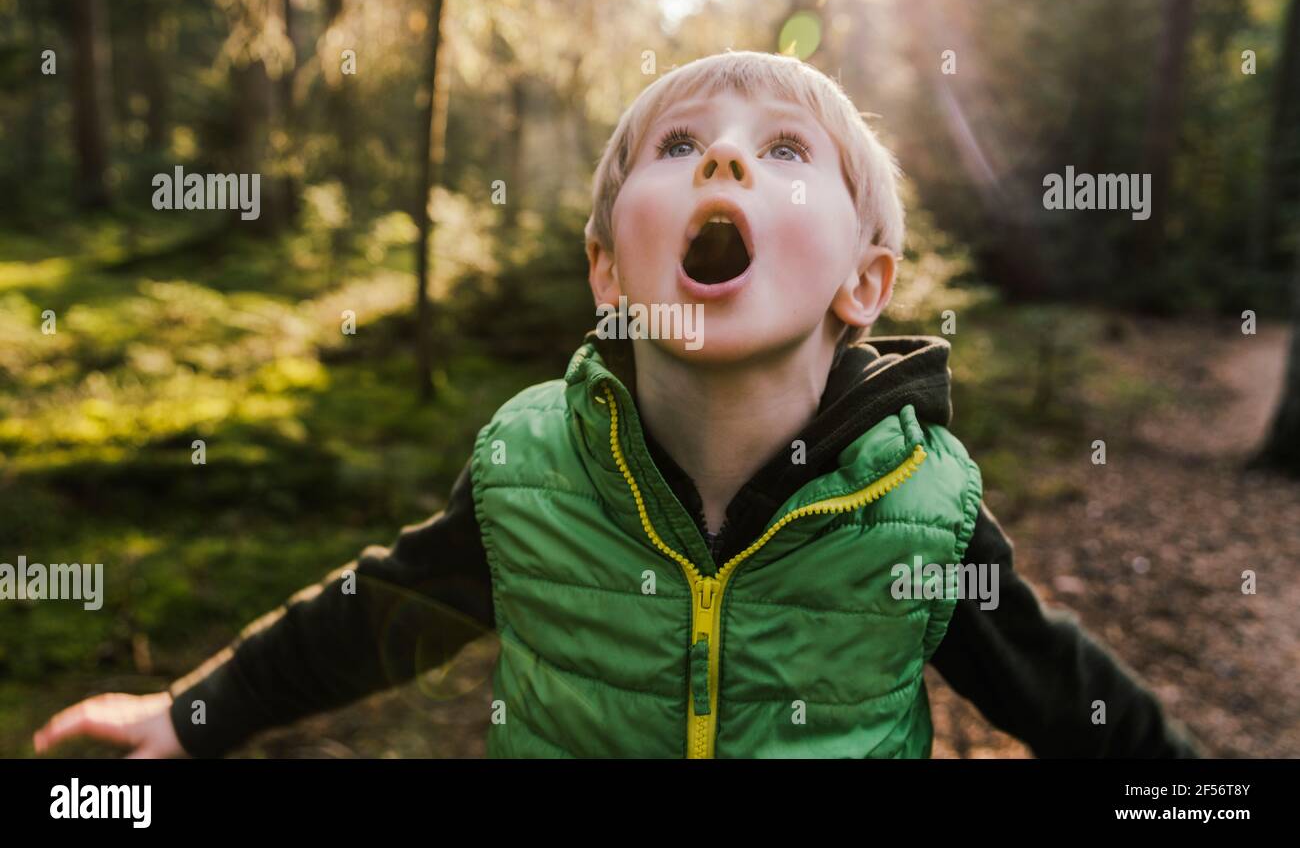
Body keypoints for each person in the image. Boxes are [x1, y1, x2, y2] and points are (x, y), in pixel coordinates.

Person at [33, 50, 1202, 758]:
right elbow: (369, 616)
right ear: (608, 271)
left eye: (785, 150)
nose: (724, 163)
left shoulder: (917, 508)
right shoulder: (533, 474)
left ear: (865, 279)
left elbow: (1070, 698)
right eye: (680, 143)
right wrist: (185, 719)